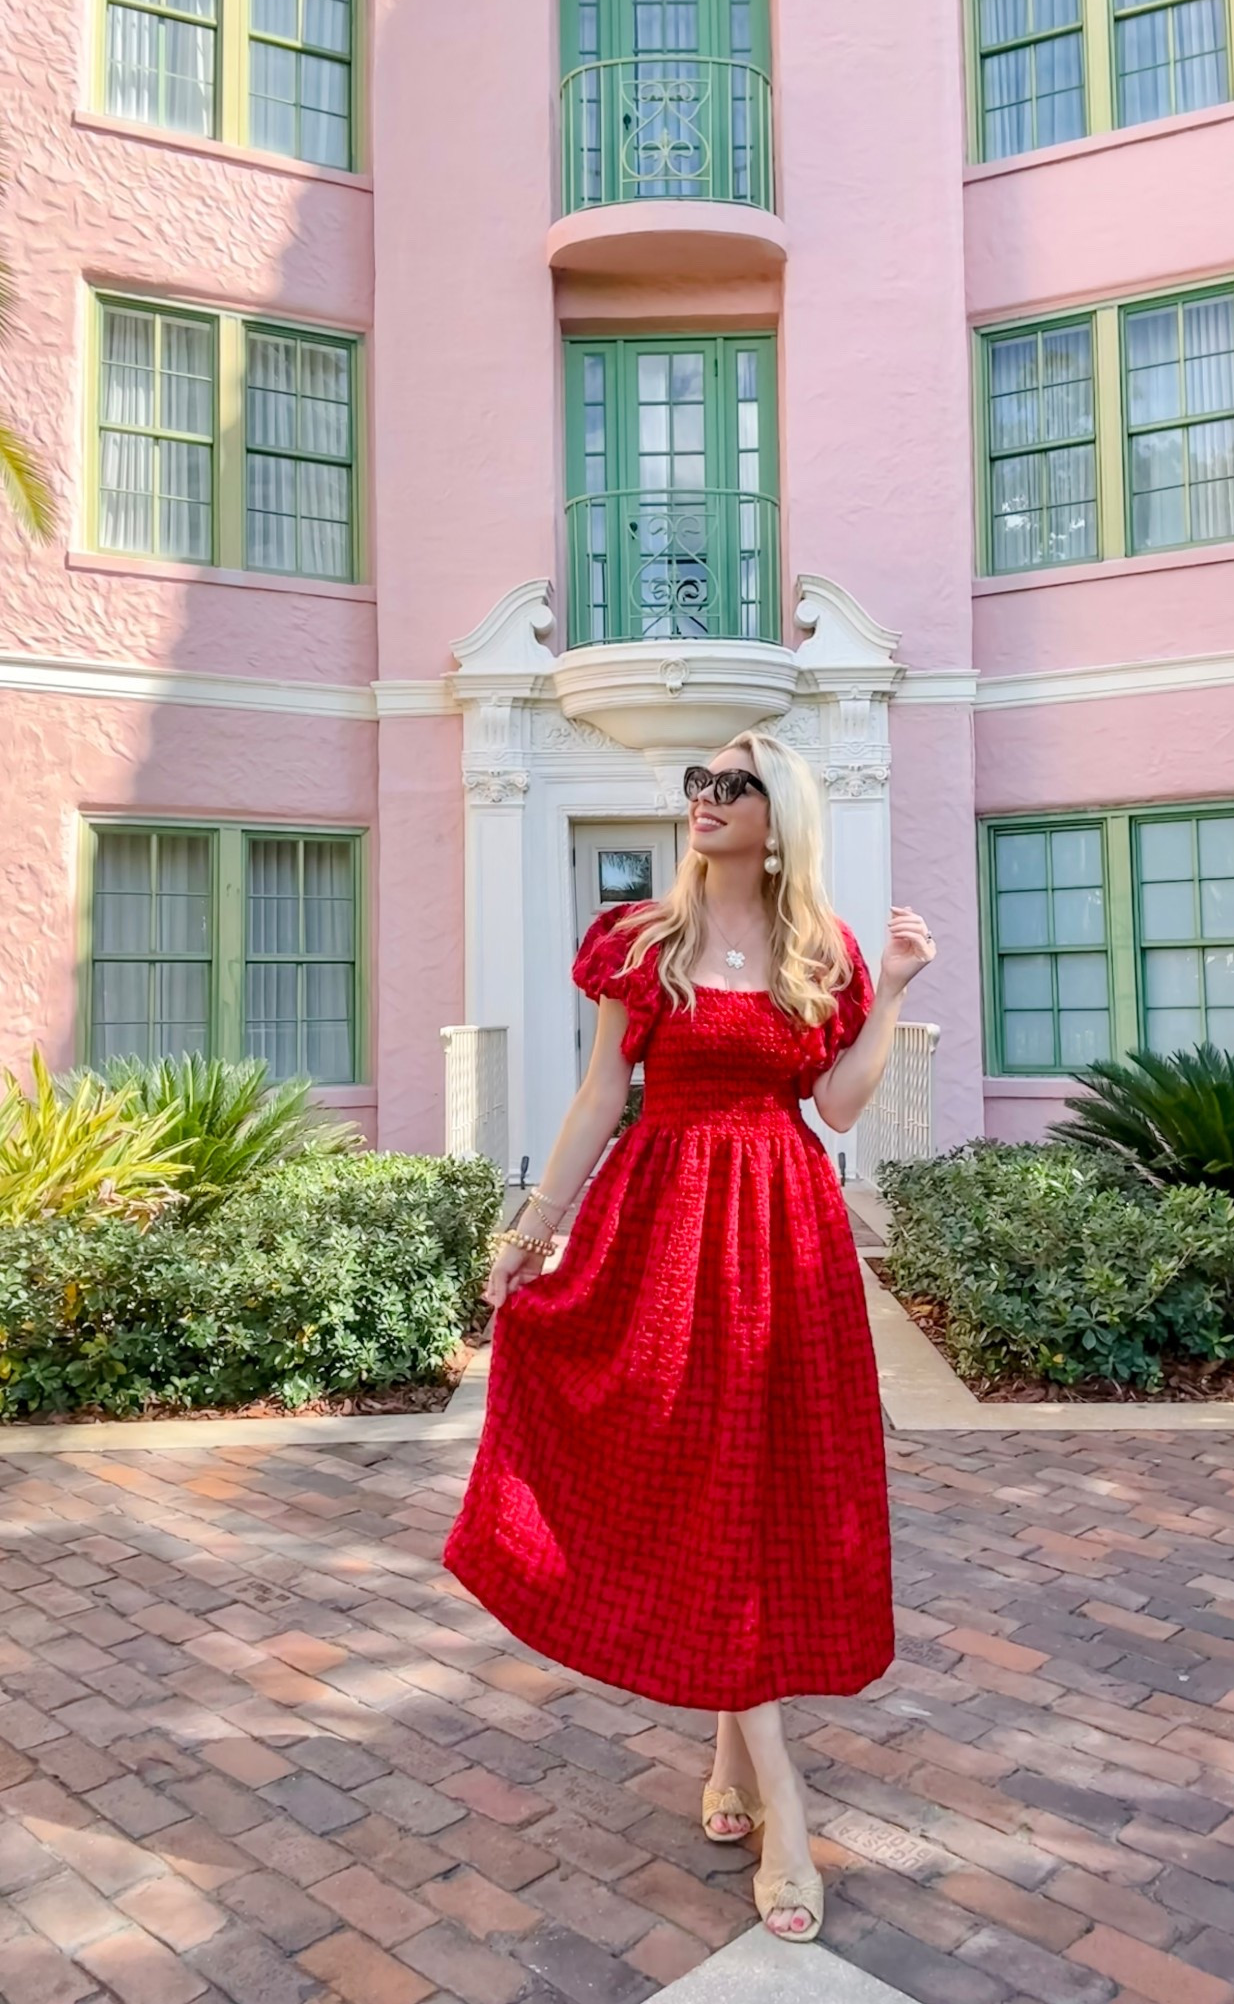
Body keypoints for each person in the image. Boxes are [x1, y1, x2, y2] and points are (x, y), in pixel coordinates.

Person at [442, 729, 935, 1944]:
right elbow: (602, 1093)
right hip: (662, 1231)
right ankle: (787, 1807)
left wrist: (905, 987)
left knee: (757, 1493)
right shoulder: (642, 943)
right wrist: (533, 1226)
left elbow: (835, 1104)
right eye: (699, 784)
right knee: (699, 1483)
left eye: (735, 786)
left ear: (783, 817)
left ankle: (728, 1765)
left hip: (785, 1238)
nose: (706, 801)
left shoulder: (823, 951)